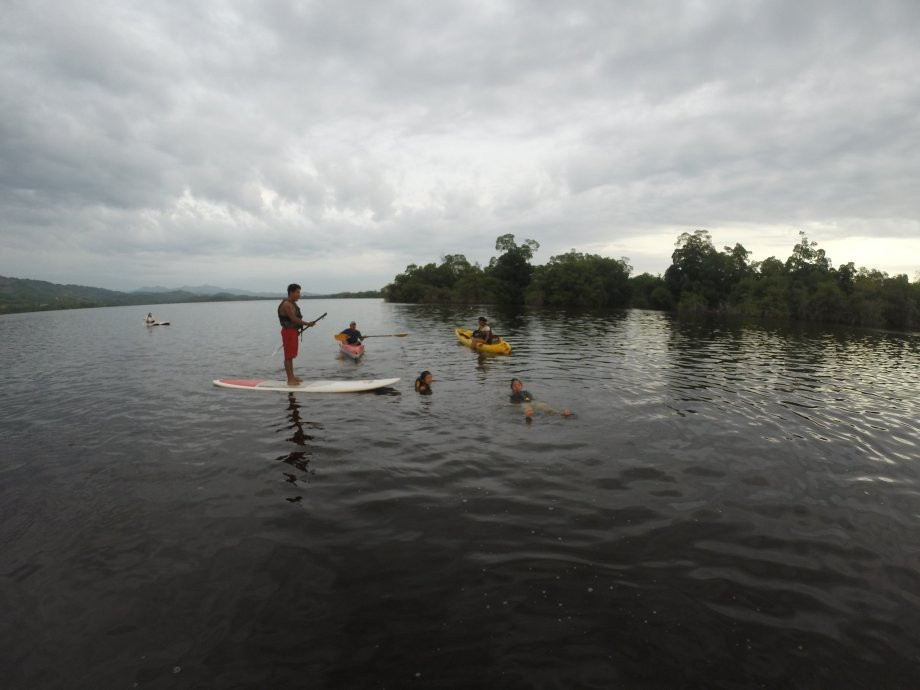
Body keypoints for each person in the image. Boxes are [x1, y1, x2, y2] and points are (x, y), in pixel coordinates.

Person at [278, 283, 317, 386]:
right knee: (288, 356)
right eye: (297, 292)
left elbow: (295, 321)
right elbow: (294, 319)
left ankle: (292, 376)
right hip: (288, 332)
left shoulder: (292, 303)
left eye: (300, 292)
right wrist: (308, 323)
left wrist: (297, 329)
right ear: (291, 293)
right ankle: (290, 379)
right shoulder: (286, 304)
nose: (299, 295)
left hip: (292, 332)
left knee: (291, 355)